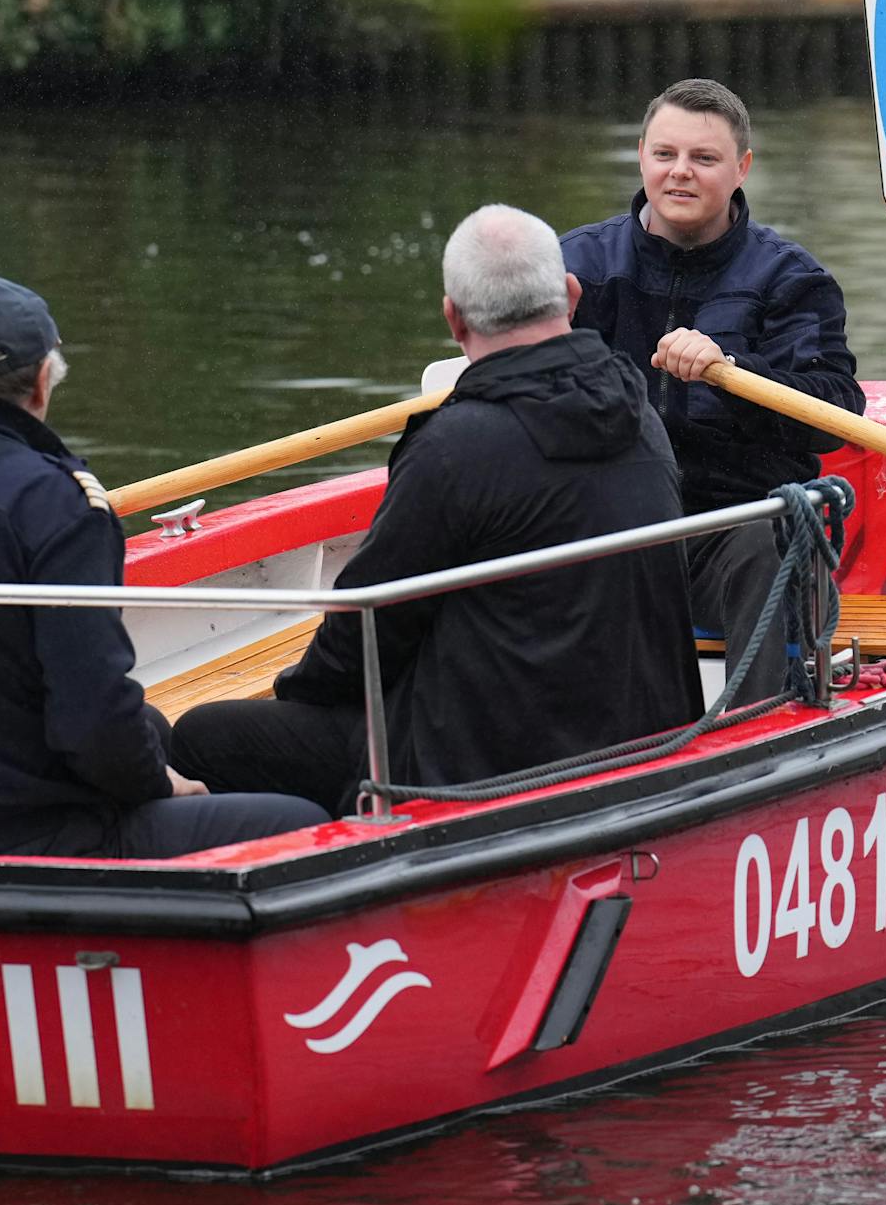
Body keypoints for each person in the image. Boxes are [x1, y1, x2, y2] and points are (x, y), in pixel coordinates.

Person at [169, 205, 702, 813]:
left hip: (491, 767)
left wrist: (296, 696)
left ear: (453, 319)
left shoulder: (454, 448)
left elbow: (363, 637)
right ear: (572, 295)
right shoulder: (643, 418)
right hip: (640, 741)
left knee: (200, 735)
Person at [0, 277, 325, 858]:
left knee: (148, 730)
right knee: (297, 821)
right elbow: (91, 715)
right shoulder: (55, 501)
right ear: (43, 380)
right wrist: (161, 786)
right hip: (1, 839)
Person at [560, 78, 863, 705]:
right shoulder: (574, 269)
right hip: (611, 527)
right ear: (641, 154)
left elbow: (836, 415)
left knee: (776, 538)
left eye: (704, 159)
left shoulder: (791, 280)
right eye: (665, 155)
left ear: (742, 168)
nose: (681, 174)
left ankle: (759, 735)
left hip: (734, 532)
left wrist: (733, 372)